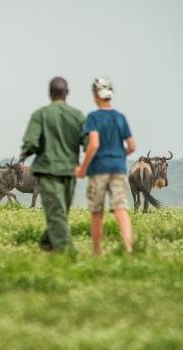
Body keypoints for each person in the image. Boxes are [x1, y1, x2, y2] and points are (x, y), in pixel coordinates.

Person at [20, 77, 86, 252]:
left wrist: (25, 153)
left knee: (57, 214)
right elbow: (88, 143)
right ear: (67, 93)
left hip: (48, 172)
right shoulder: (78, 115)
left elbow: (31, 144)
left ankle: (66, 253)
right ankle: (52, 247)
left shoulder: (40, 114)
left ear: (49, 93)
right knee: (61, 212)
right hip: (70, 172)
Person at [75, 78, 136, 255]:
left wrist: (83, 168)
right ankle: (128, 248)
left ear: (96, 94)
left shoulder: (93, 117)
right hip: (118, 168)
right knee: (120, 208)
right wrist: (118, 156)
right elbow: (132, 145)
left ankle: (97, 252)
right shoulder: (120, 117)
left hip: (98, 169)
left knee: (96, 211)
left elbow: (93, 144)